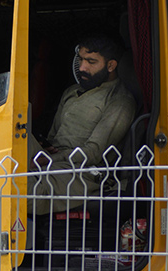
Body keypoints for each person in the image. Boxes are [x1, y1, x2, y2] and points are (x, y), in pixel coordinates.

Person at [28, 31, 136, 215]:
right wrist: (45, 149)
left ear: (111, 65)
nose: (82, 68)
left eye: (91, 62)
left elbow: (93, 153)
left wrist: (53, 159)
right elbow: (53, 137)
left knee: (27, 193)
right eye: (80, 60)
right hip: (54, 161)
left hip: (82, 171)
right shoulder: (71, 91)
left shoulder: (119, 101)